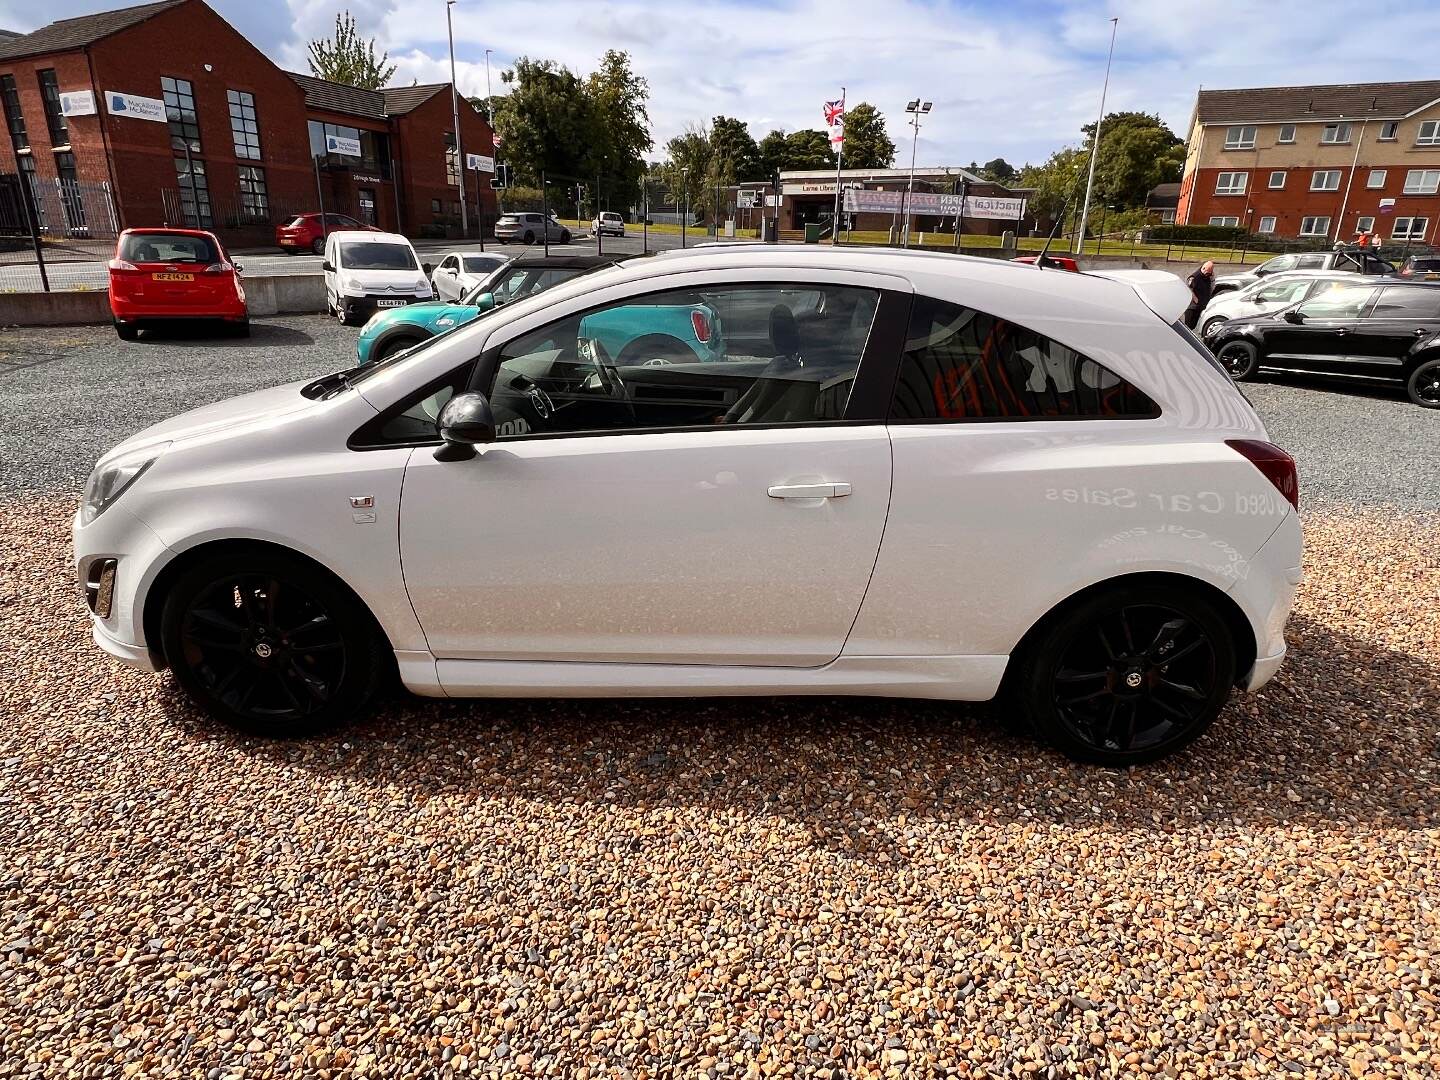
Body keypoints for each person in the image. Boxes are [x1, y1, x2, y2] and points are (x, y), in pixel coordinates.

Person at [1183, 260, 1215, 330]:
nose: (1208, 275)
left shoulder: (1209, 276)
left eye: (1210, 273)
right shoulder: (1194, 277)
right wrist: (1195, 299)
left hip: (1200, 306)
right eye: (1207, 273)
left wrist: (1212, 277)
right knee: (1188, 327)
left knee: (1193, 326)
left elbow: (1212, 287)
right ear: (1203, 268)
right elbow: (1188, 289)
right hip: (1192, 307)